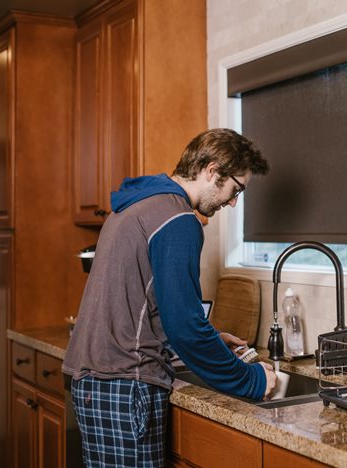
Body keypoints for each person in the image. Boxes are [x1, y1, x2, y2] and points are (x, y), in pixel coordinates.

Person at [62, 128, 276, 467]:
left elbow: (142, 306)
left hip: (95, 382)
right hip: (126, 385)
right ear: (212, 170)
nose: (233, 202)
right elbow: (186, 328)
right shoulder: (178, 219)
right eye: (235, 189)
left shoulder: (138, 205)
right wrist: (252, 380)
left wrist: (214, 339)